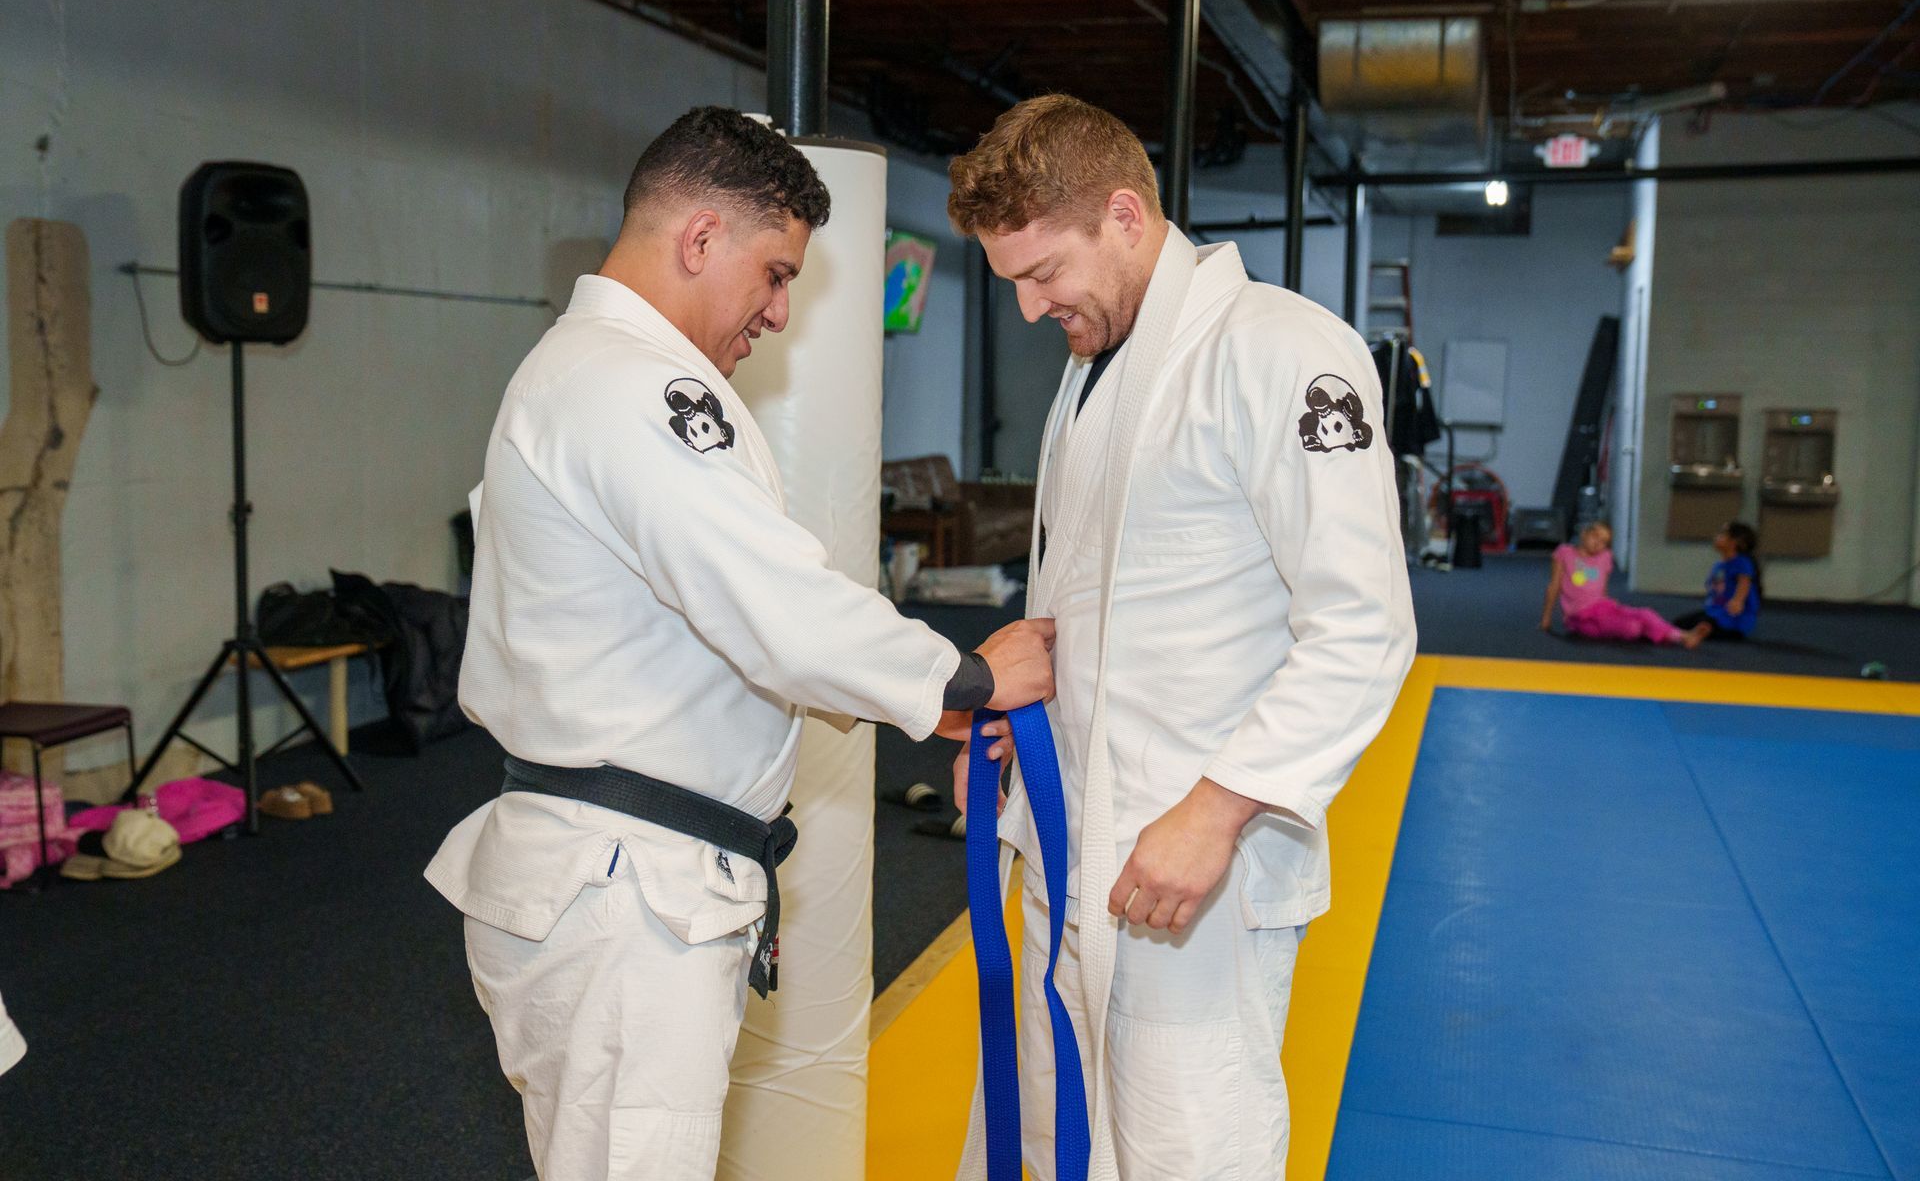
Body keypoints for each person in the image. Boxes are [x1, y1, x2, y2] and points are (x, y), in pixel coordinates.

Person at [425, 106, 1056, 1181]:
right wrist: (971, 674)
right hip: (626, 893)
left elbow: (721, 625)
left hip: (619, 874)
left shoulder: (585, 374)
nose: (776, 310)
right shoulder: (633, 387)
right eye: (772, 272)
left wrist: (926, 696)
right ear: (699, 236)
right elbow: (776, 605)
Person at [945, 95, 1417, 1179]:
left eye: (1042, 271)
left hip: (1195, 865)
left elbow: (1363, 624)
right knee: (1046, 1133)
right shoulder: (1092, 369)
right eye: (1010, 278)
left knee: (1182, 1149)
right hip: (1069, 837)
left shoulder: (1281, 350)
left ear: (1123, 213)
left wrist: (1220, 806)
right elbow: (1100, 599)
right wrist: (1017, 721)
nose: (1027, 307)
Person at [1542, 521, 1692, 647]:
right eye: (1595, 537)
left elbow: (1603, 588)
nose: (1598, 544)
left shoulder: (1605, 556)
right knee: (1632, 628)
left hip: (1602, 607)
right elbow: (1554, 585)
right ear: (1584, 534)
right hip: (1578, 616)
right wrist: (1546, 618)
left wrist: (1612, 607)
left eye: (1603, 542)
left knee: (1645, 614)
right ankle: (1656, 632)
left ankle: (1682, 636)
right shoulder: (1565, 552)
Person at [1675, 521, 1762, 645]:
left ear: (1736, 542)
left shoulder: (1742, 562)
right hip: (1716, 612)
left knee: (1707, 624)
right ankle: (1691, 633)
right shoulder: (1719, 566)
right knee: (1680, 623)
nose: (1717, 536)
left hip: (1733, 620)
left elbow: (1744, 582)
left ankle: (1697, 634)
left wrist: (1738, 600)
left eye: (1722, 534)